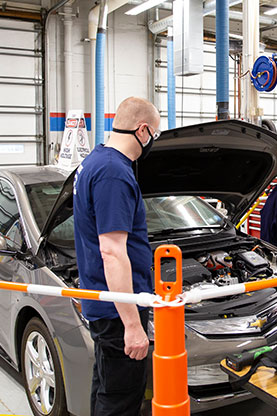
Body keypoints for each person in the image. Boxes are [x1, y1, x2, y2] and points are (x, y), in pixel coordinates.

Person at [73, 97, 161, 416]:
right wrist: (133, 326)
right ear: (143, 130)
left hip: (104, 303)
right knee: (121, 400)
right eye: (156, 134)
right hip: (117, 311)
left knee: (107, 388)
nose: (153, 141)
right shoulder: (114, 173)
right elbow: (112, 252)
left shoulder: (96, 161)